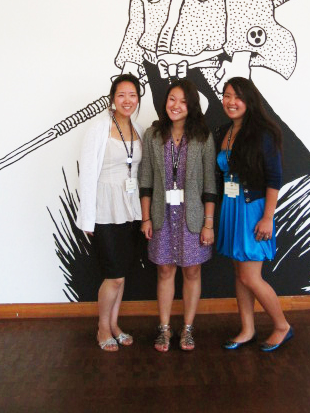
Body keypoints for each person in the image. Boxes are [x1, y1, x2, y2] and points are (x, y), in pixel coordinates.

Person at [216, 77, 293, 352]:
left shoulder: (263, 133)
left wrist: (268, 217)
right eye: (227, 95)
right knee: (240, 274)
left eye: (237, 97)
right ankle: (247, 329)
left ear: (249, 101)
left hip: (253, 210)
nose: (231, 102)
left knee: (250, 276)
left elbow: (274, 178)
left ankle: (282, 326)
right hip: (231, 208)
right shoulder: (224, 131)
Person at [139, 79, 217, 351]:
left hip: (192, 216)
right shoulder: (152, 135)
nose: (176, 105)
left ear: (191, 106)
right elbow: (145, 179)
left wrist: (209, 224)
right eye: (172, 99)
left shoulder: (203, 137)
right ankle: (164, 329)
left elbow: (209, 185)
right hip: (161, 213)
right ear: (165, 102)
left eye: (183, 101)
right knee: (164, 270)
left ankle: (187, 329)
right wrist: (146, 218)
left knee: (192, 271)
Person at [76, 74, 144, 351]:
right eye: (121, 95)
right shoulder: (98, 128)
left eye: (132, 95)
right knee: (113, 275)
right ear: (113, 98)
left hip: (130, 209)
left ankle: (114, 324)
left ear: (138, 99)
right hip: (104, 209)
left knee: (122, 274)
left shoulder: (138, 128)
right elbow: (87, 173)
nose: (127, 100)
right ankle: (103, 328)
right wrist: (87, 216)